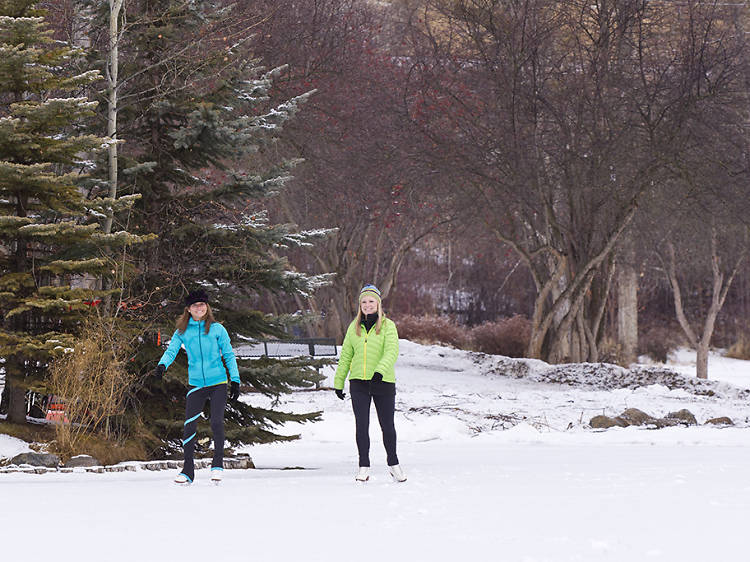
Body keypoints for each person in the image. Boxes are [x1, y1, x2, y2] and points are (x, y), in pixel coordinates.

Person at [154, 289, 240, 484]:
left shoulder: (218, 329)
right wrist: (162, 365)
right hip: (196, 384)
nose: (199, 308)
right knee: (189, 425)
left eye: (202, 304)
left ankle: (217, 465)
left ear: (207, 307)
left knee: (216, 421)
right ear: (189, 309)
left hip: (218, 382)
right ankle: (188, 471)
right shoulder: (182, 331)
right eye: (195, 305)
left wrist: (235, 380)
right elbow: (171, 351)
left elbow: (228, 354)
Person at [334, 284, 406, 482]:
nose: (367, 305)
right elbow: (346, 355)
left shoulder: (388, 326)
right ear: (360, 305)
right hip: (359, 383)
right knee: (361, 426)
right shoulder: (353, 327)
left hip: (383, 382)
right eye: (364, 302)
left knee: (387, 426)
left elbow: (392, 351)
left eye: (371, 301)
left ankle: (394, 464)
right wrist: (338, 382)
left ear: (378, 304)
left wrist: (380, 371)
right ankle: (363, 465)